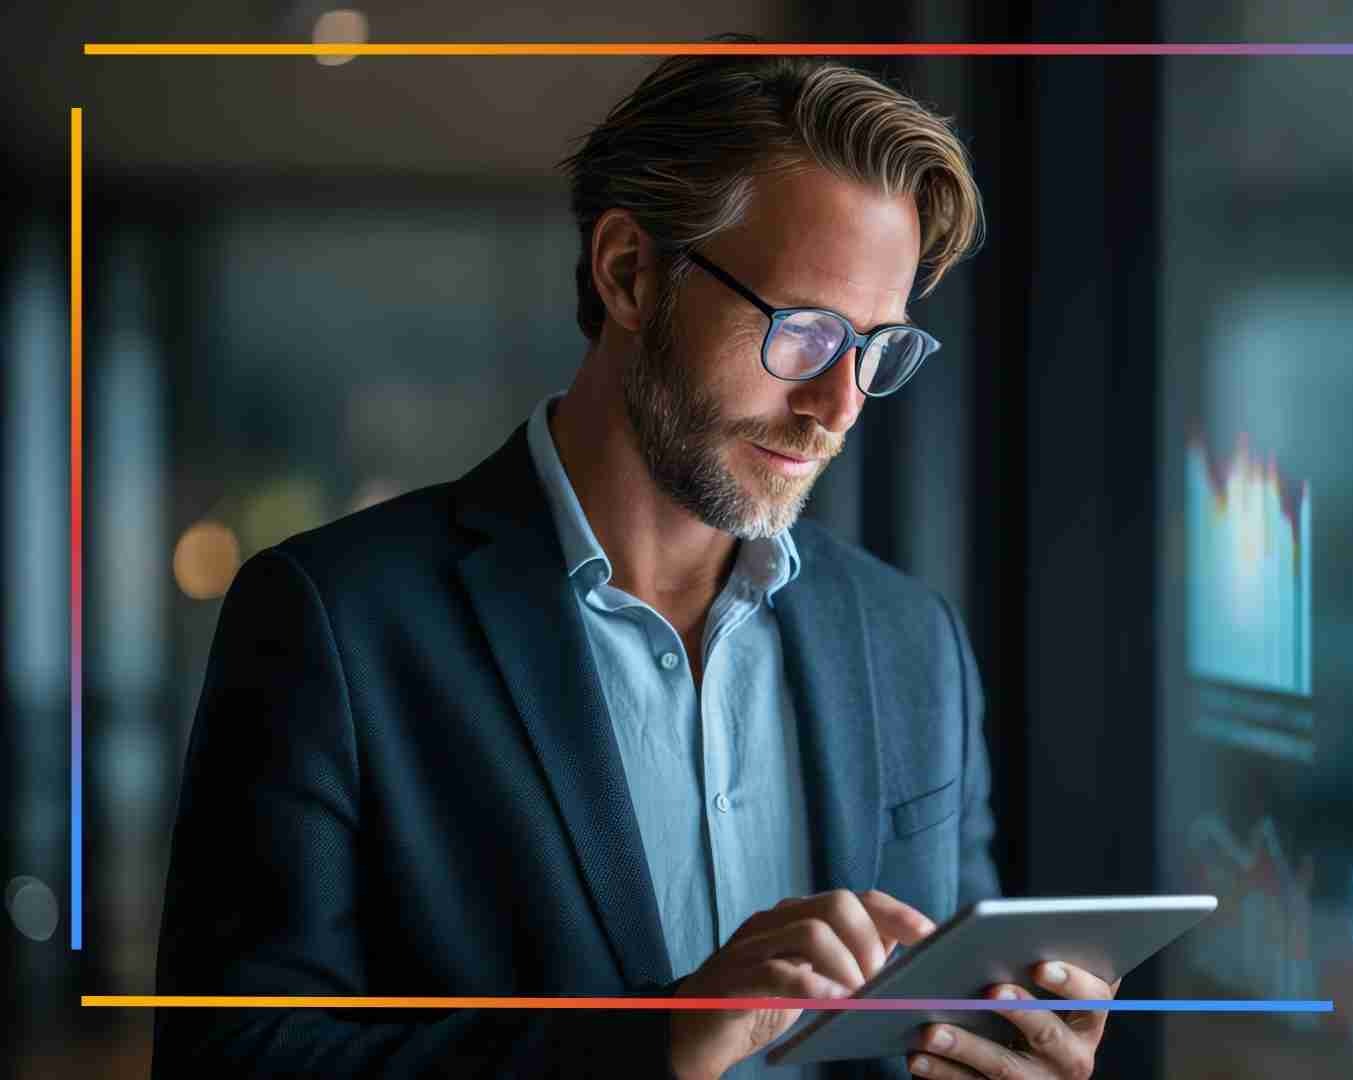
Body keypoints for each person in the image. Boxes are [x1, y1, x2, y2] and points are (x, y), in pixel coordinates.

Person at [150, 48, 1118, 1080]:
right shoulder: (337, 620)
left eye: (877, 347)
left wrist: (1008, 1057)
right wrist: (652, 1042)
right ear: (628, 272)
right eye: (805, 331)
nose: (839, 406)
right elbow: (232, 1053)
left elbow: (942, 1024)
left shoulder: (913, 637)